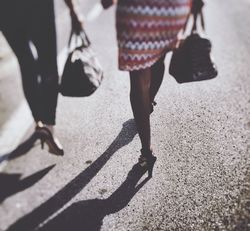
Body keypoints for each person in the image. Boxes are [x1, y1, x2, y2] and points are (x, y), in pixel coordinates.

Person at [101, 0, 193, 167]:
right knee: (159, 56)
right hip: (170, 11)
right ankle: (147, 102)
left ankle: (146, 151)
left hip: (137, 12)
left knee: (138, 81)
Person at [0, 0, 83, 156]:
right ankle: (48, 126)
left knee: (26, 63)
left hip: (6, 9)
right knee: (48, 64)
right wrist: (73, 8)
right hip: (38, 6)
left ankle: (38, 121)